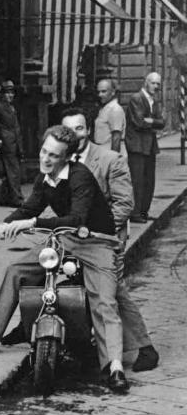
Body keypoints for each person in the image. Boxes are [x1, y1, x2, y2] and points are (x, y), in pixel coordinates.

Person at [0, 125, 129, 393]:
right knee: (16, 270)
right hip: (64, 240)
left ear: (67, 158)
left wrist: (30, 223)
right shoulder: (44, 178)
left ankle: (114, 367)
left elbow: (76, 218)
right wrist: (6, 224)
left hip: (96, 242)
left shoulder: (80, 177)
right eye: (44, 151)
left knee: (105, 301)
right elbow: (30, 206)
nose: (46, 159)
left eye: (54, 156)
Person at [60, 109, 158, 372]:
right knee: (41, 268)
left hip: (106, 236)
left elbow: (125, 204)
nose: (74, 136)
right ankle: (29, 326)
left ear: (88, 130)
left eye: (79, 129)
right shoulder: (61, 160)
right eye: (68, 131)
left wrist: (93, 230)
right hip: (75, 235)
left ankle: (145, 348)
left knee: (111, 289)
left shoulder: (109, 159)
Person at [126, 71, 165, 223]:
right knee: (137, 180)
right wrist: (153, 121)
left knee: (149, 180)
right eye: (153, 83)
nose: (155, 86)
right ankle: (135, 213)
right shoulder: (136, 98)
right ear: (145, 82)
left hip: (149, 146)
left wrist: (151, 121)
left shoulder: (154, 101)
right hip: (137, 146)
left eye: (158, 84)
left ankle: (144, 211)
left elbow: (162, 123)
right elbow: (139, 122)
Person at [0, 80, 24, 206]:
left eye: (12, 93)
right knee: (13, 171)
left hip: (15, 142)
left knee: (11, 171)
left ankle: (6, 198)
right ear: (2, 94)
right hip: (7, 143)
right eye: (7, 93)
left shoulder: (11, 106)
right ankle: (16, 199)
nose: (10, 95)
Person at [93, 79, 126, 154]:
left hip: (109, 151)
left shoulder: (115, 109)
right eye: (98, 92)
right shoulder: (105, 108)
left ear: (113, 92)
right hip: (102, 151)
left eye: (104, 91)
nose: (100, 95)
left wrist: (113, 160)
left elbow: (116, 137)